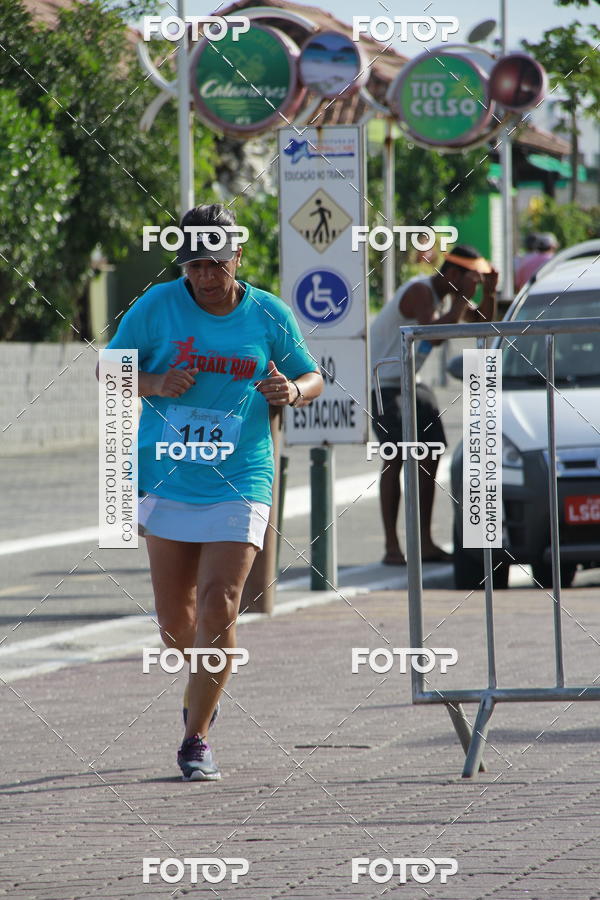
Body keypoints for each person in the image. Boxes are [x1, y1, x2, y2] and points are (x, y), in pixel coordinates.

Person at [100, 203, 323, 780]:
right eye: (193, 264)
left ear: (237, 257)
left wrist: (290, 391)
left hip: (241, 478)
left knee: (221, 601)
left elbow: (312, 374)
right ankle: (201, 690)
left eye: (214, 264)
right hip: (169, 474)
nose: (202, 275)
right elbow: (107, 370)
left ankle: (195, 738)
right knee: (178, 628)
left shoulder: (268, 314)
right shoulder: (156, 306)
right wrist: (153, 382)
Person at [370, 245, 498, 566]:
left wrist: (490, 293)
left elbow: (480, 320)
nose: (474, 286)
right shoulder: (419, 290)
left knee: (429, 456)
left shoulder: (445, 296)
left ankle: (424, 543)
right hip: (383, 383)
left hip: (411, 382)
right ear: (452, 274)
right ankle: (390, 546)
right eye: (470, 279)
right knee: (396, 456)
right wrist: (460, 299)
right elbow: (437, 333)